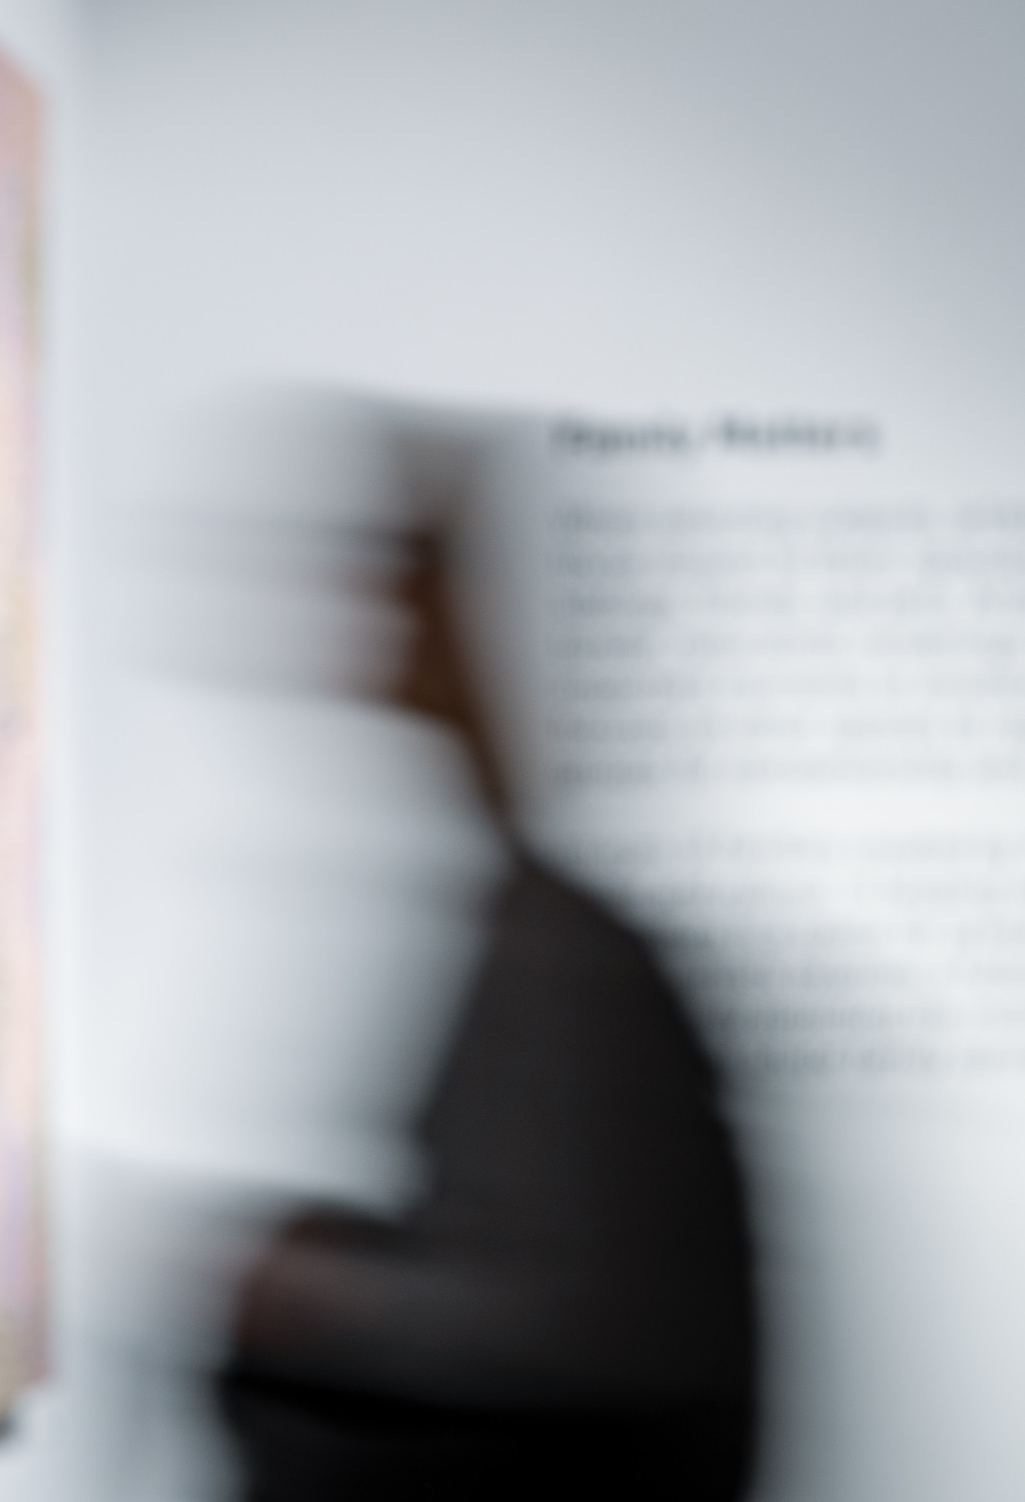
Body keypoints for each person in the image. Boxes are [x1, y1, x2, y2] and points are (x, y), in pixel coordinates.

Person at [217, 523, 760, 1502]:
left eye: (387, 611)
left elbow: (562, 1318)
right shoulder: (532, 924)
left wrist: (308, 1298)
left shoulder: (558, 950)